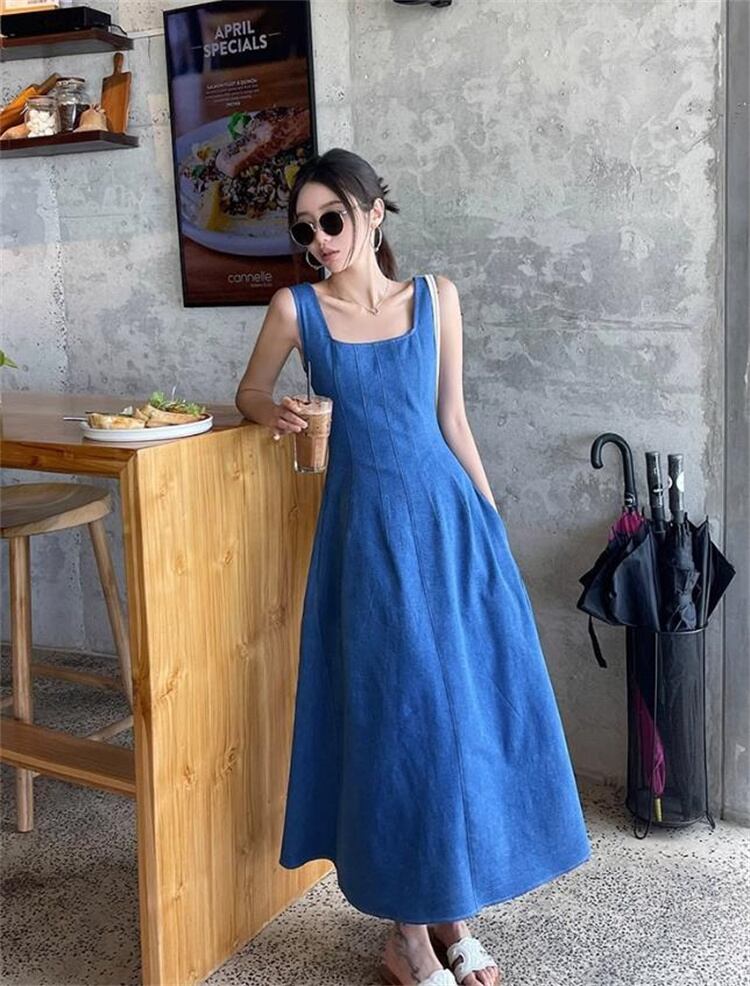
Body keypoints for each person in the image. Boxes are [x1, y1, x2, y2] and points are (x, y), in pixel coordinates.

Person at [235, 148, 592, 986]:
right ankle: (410, 935)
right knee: (398, 722)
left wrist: (491, 527)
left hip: (448, 525)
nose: (319, 240)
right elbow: (248, 391)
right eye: (304, 229)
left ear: (373, 213)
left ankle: (450, 915)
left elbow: (452, 419)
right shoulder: (297, 310)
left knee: (456, 715)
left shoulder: (436, 299)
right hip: (364, 539)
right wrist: (275, 411)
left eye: (331, 219)